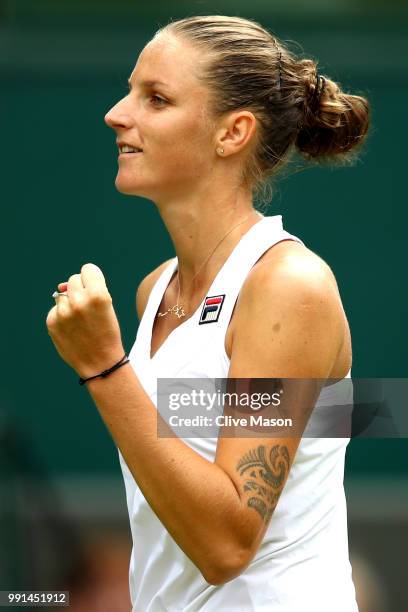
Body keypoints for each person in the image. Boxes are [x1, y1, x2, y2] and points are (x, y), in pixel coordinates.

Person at [46, 15, 370, 612]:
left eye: (157, 99)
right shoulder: (155, 293)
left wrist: (101, 366)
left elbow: (225, 544)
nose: (117, 114)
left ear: (233, 133)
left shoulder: (287, 287)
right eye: (130, 90)